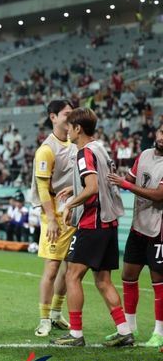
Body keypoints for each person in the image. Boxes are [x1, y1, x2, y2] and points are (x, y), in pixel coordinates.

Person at [52, 108, 132, 347]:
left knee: (72, 275)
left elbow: (93, 187)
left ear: (78, 129)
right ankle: (124, 330)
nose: (67, 131)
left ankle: (76, 334)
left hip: (92, 222)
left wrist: (70, 204)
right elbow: (97, 182)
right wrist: (74, 188)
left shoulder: (83, 152)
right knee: (103, 280)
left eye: (70, 127)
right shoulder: (100, 148)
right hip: (109, 223)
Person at [106, 124, 163, 347]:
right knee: (128, 275)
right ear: (156, 133)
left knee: (158, 281)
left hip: (158, 230)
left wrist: (125, 185)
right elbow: (128, 179)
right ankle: (130, 328)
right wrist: (111, 179)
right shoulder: (145, 155)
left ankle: (159, 332)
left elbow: (159, 195)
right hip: (138, 226)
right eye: (162, 132)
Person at [29, 100, 78, 337]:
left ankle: (57, 314)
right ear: (53, 117)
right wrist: (50, 219)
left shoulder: (75, 143)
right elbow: (42, 187)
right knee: (51, 268)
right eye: (67, 114)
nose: (71, 117)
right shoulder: (46, 149)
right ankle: (44, 319)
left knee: (69, 268)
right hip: (55, 216)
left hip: (74, 214)